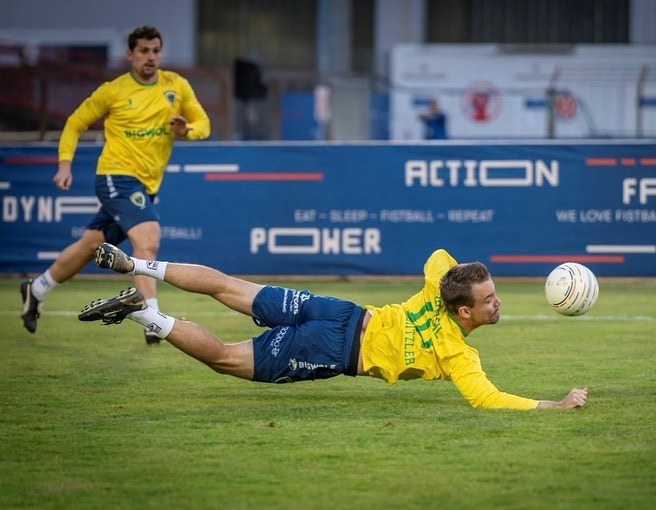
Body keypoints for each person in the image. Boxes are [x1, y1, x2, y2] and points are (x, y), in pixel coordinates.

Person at [78, 242, 589, 410]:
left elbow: (438, 257)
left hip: (340, 310)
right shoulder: (459, 353)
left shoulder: (439, 288)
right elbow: (486, 398)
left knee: (231, 286)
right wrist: (554, 404)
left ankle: (137, 266)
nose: (498, 304)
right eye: (490, 299)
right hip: (334, 346)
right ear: (464, 313)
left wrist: (452, 281)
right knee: (228, 359)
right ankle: (147, 312)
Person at [20, 26, 211, 344]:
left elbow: (204, 125)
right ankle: (153, 318)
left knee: (90, 246)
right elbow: (75, 123)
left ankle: (36, 288)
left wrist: (187, 129)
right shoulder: (114, 90)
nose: (151, 57)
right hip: (116, 176)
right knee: (148, 239)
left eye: (156, 51)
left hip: (147, 184)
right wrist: (65, 163)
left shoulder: (176, 86)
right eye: (144, 51)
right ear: (130, 55)